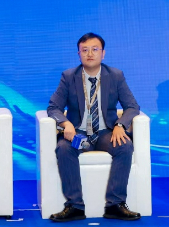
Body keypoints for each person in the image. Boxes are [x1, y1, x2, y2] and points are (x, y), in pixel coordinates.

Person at [47, 33, 141, 222]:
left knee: (125, 146)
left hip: (106, 133)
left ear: (103, 53)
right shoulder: (69, 77)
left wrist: (120, 125)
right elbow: (53, 107)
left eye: (94, 49)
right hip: (79, 134)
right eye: (85, 50)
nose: (90, 54)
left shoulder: (115, 76)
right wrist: (65, 123)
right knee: (64, 148)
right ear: (79, 54)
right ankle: (75, 206)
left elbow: (132, 106)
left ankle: (115, 205)